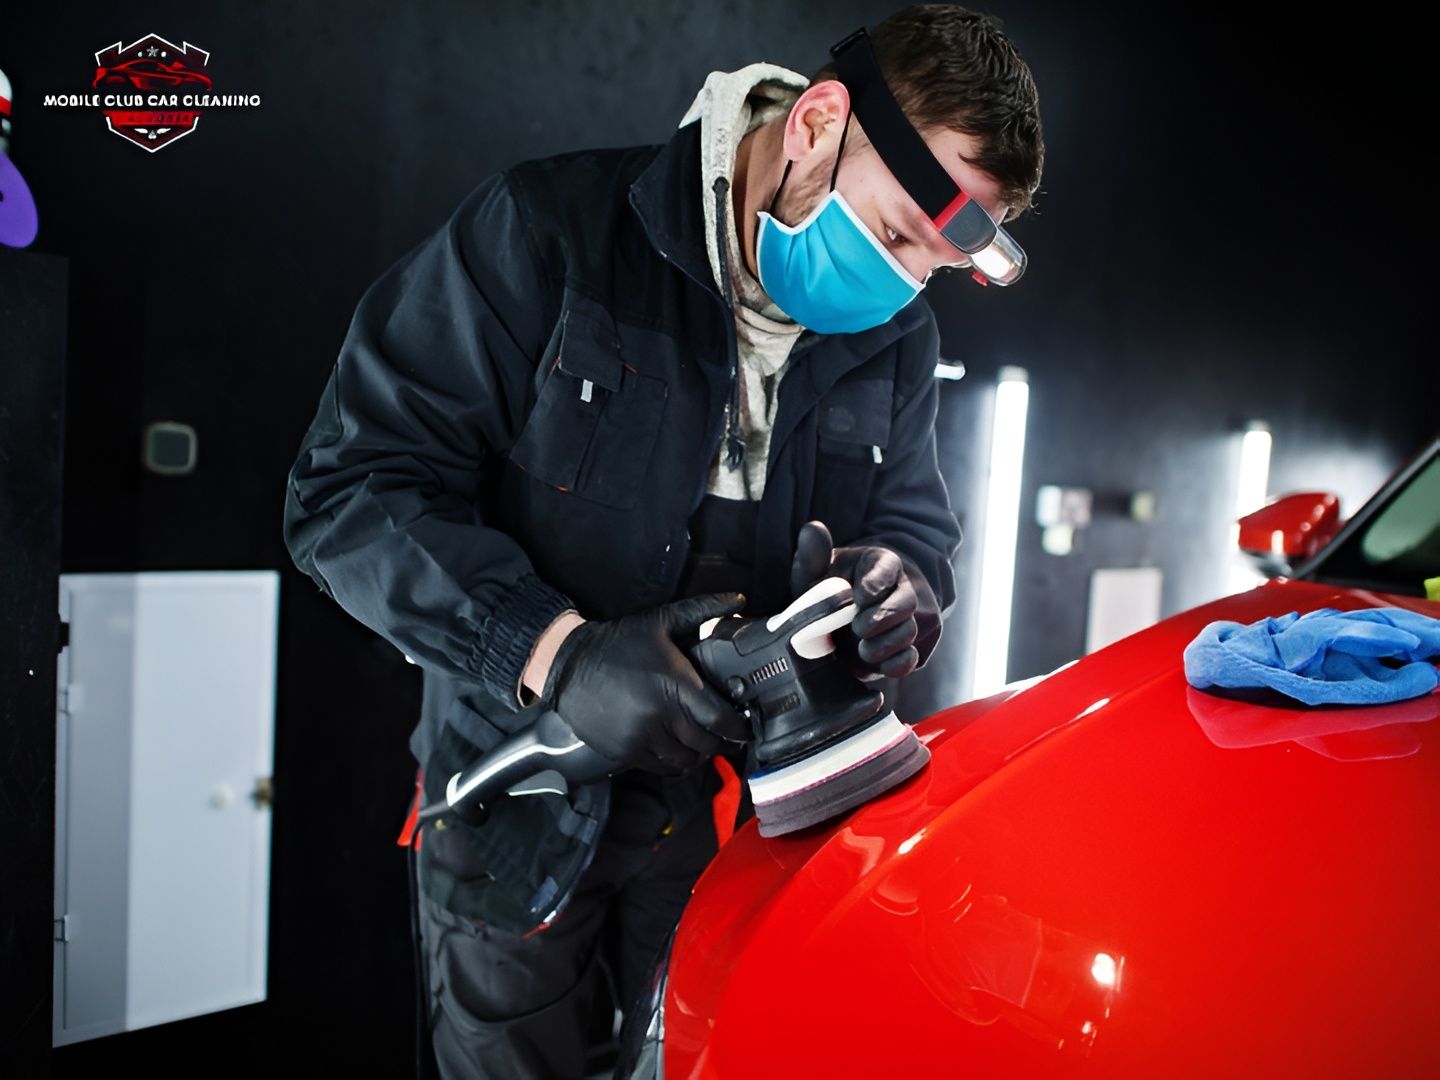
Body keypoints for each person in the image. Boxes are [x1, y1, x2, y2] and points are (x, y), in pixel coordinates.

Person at [282, 5, 1043, 1076]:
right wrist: (556, 654)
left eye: (933, 265)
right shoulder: (548, 233)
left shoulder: (896, 332)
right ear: (818, 123)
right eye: (888, 237)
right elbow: (348, 493)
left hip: (743, 833)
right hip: (524, 814)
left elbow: (913, 522)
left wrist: (902, 582)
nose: (901, 286)